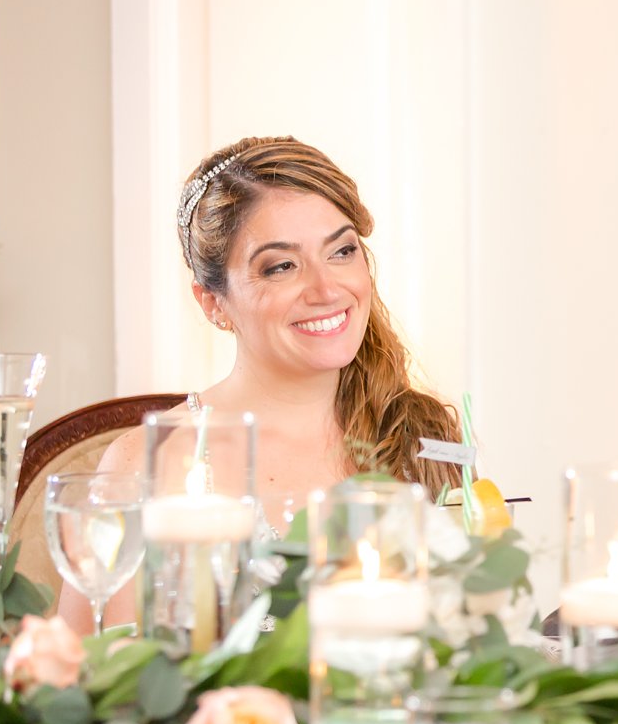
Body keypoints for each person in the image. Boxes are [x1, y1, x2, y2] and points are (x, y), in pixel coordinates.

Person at [58, 136, 462, 633]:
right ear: (212, 303)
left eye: (341, 251)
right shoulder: (147, 465)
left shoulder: (422, 436)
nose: (327, 289)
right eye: (281, 266)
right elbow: (90, 679)